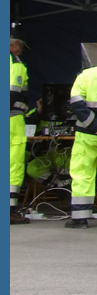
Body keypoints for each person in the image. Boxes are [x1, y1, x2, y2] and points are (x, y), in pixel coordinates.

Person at [66, 39, 97, 229]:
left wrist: (95, 125)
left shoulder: (85, 75)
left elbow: (76, 103)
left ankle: (79, 218)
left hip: (87, 134)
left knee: (82, 173)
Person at [10, 34, 31, 225]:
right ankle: (10, 210)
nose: (22, 53)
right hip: (11, 120)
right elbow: (13, 93)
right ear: (15, 46)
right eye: (22, 49)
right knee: (13, 164)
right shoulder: (15, 65)